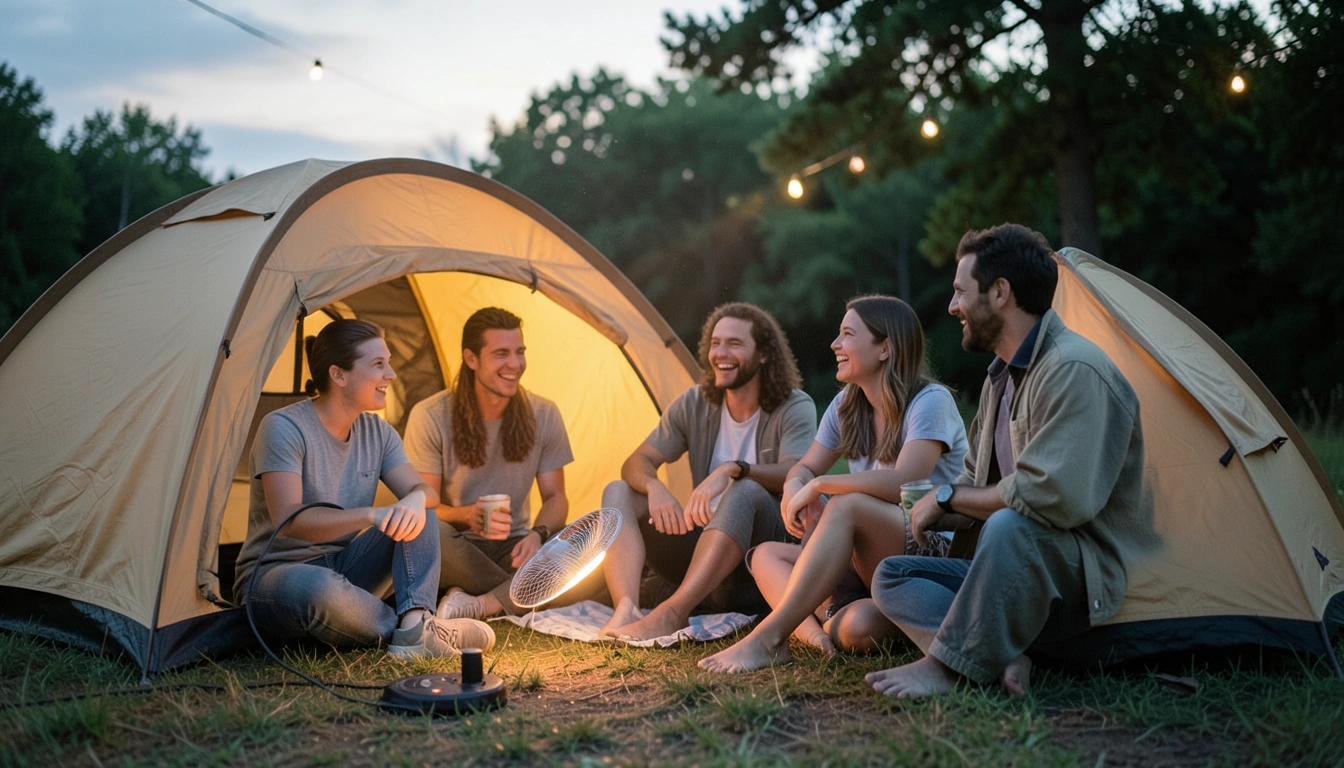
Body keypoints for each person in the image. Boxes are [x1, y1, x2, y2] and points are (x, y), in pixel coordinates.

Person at [866, 223, 1151, 699]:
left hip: (1077, 581)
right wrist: (929, 507)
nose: (953, 306)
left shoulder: (1073, 368)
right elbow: (973, 484)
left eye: (961, 292)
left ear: (1000, 292)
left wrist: (947, 495)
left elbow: (1053, 497)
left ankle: (947, 667)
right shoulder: (999, 381)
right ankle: (1000, 653)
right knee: (893, 574)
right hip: (1004, 574)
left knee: (1007, 526)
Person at [699, 295, 968, 673]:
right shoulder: (848, 404)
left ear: (885, 348)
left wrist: (823, 484)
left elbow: (904, 482)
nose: (835, 345)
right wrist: (796, 489)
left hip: (929, 547)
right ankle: (816, 635)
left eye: (847, 334)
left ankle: (770, 636)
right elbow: (804, 467)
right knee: (782, 570)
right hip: (866, 562)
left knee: (847, 506)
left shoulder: (930, 401)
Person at [234, 319, 494, 658]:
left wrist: (414, 499)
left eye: (389, 363)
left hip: (345, 567)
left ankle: (417, 619)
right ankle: (422, 631)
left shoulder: (379, 432)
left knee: (420, 511)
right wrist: (371, 515)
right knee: (322, 590)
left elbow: (424, 492)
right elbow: (290, 519)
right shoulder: (284, 428)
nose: (392, 375)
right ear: (339, 375)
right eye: (378, 365)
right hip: (276, 577)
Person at [599, 302, 816, 640]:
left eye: (734, 343)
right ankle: (626, 605)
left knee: (744, 490)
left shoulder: (795, 405)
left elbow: (796, 471)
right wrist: (654, 486)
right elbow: (635, 462)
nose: (720, 353)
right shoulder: (695, 403)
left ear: (763, 355)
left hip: (761, 548)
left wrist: (734, 469)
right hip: (701, 541)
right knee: (619, 490)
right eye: (715, 343)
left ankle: (674, 612)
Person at [403, 307, 573, 619]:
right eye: (501, 354)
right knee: (424, 530)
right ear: (471, 359)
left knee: (588, 536)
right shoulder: (430, 415)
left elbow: (556, 498)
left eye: (519, 352)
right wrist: (468, 516)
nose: (515, 364)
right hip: (460, 549)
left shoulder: (544, 413)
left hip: (519, 550)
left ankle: (482, 603)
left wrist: (538, 534)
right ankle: (533, 590)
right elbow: (425, 506)